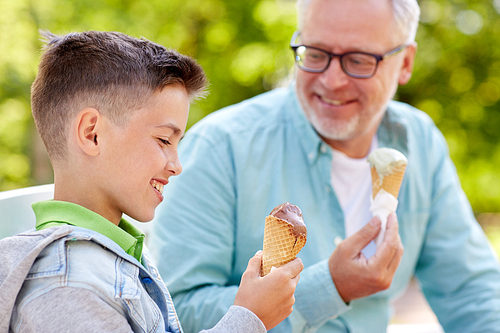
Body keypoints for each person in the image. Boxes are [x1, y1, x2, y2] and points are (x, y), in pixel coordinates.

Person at [150, 0, 500, 332]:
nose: (332, 81)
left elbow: (470, 290)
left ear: (406, 62)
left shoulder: (420, 141)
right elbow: (177, 311)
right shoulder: (220, 147)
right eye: (316, 54)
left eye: (359, 60)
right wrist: (330, 287)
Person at [0, 30, 304, 333]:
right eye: (163, 140)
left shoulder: (117, 253)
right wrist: (250, 319)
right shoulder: (68, 287)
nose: (177, 166)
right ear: (92, 133)